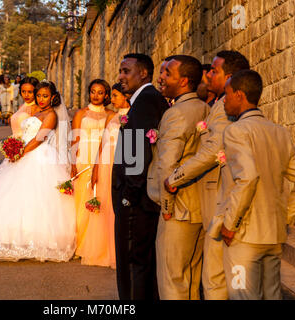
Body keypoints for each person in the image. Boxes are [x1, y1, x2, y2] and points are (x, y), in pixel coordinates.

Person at [207, 70, 295, 300]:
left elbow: (248, 177)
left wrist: (231, 223)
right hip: (273, 234)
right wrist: (284, 218)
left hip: (243, 236)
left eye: (227, 94)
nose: (224, 100)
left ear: (239, 95)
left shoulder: (235, 131)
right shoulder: (280, 132)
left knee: (241, 294)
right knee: (271, 296)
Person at [0, 80, 76, 262]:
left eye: (45, 96)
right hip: (22, 152)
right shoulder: (37, 112)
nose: (41, 99)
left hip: (38, 155)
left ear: (53, 97)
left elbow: (39, 138)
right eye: (39, 95)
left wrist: (21, 152)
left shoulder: (51, 115)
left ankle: (34, 238)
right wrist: (15, 149)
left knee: (35, 199)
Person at [165, 50, 250, 300]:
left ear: (230, 77)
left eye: (214, 71)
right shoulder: (216, 106)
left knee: (214, 280)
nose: (209, 74)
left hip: (219, 201)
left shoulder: (226, 109)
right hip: (210, 200)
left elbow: (213, 149)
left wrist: (175, 178)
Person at [148, 55, 210, 300]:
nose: (161, 77)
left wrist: (166, 206)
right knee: (191, 279)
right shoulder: (206, 108)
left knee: (172, 280)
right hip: (200, 206)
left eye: (167, 73)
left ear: (184, 81)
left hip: (178, 208)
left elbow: (167, 166)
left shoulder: (176, 113)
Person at [112, 53, 168, 300]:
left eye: (126, 71)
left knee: (134, 262)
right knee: (139, 262)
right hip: (137, 198)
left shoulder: (145, 100)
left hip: (136, 201)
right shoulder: (144, 99)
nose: (121, 76)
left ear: (143, 73)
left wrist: (128, 198)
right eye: (121, 71)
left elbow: (138, 153)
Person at [78, 83, 131, 269]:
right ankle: (103, 249)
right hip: (105, 166)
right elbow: (102, 143)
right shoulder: (112, 117)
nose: (112, 99)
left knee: (116, 208)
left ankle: (116, 251)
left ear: (126, 97)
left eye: (115, 96)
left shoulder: (131, 116)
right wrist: (95, 168)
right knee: (104, 205)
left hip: (119, 167)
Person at [71, 79, 114, 259]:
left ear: (106, 95)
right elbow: (75, 139)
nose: (96, 96)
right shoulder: (81, 113)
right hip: (84, 159)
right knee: (81, 200)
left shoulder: (111, 114)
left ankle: (94, 243)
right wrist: (73, 163)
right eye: (93, 91)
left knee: (99, 199)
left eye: (100, 92)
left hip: (102, 160)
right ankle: (79, 242)